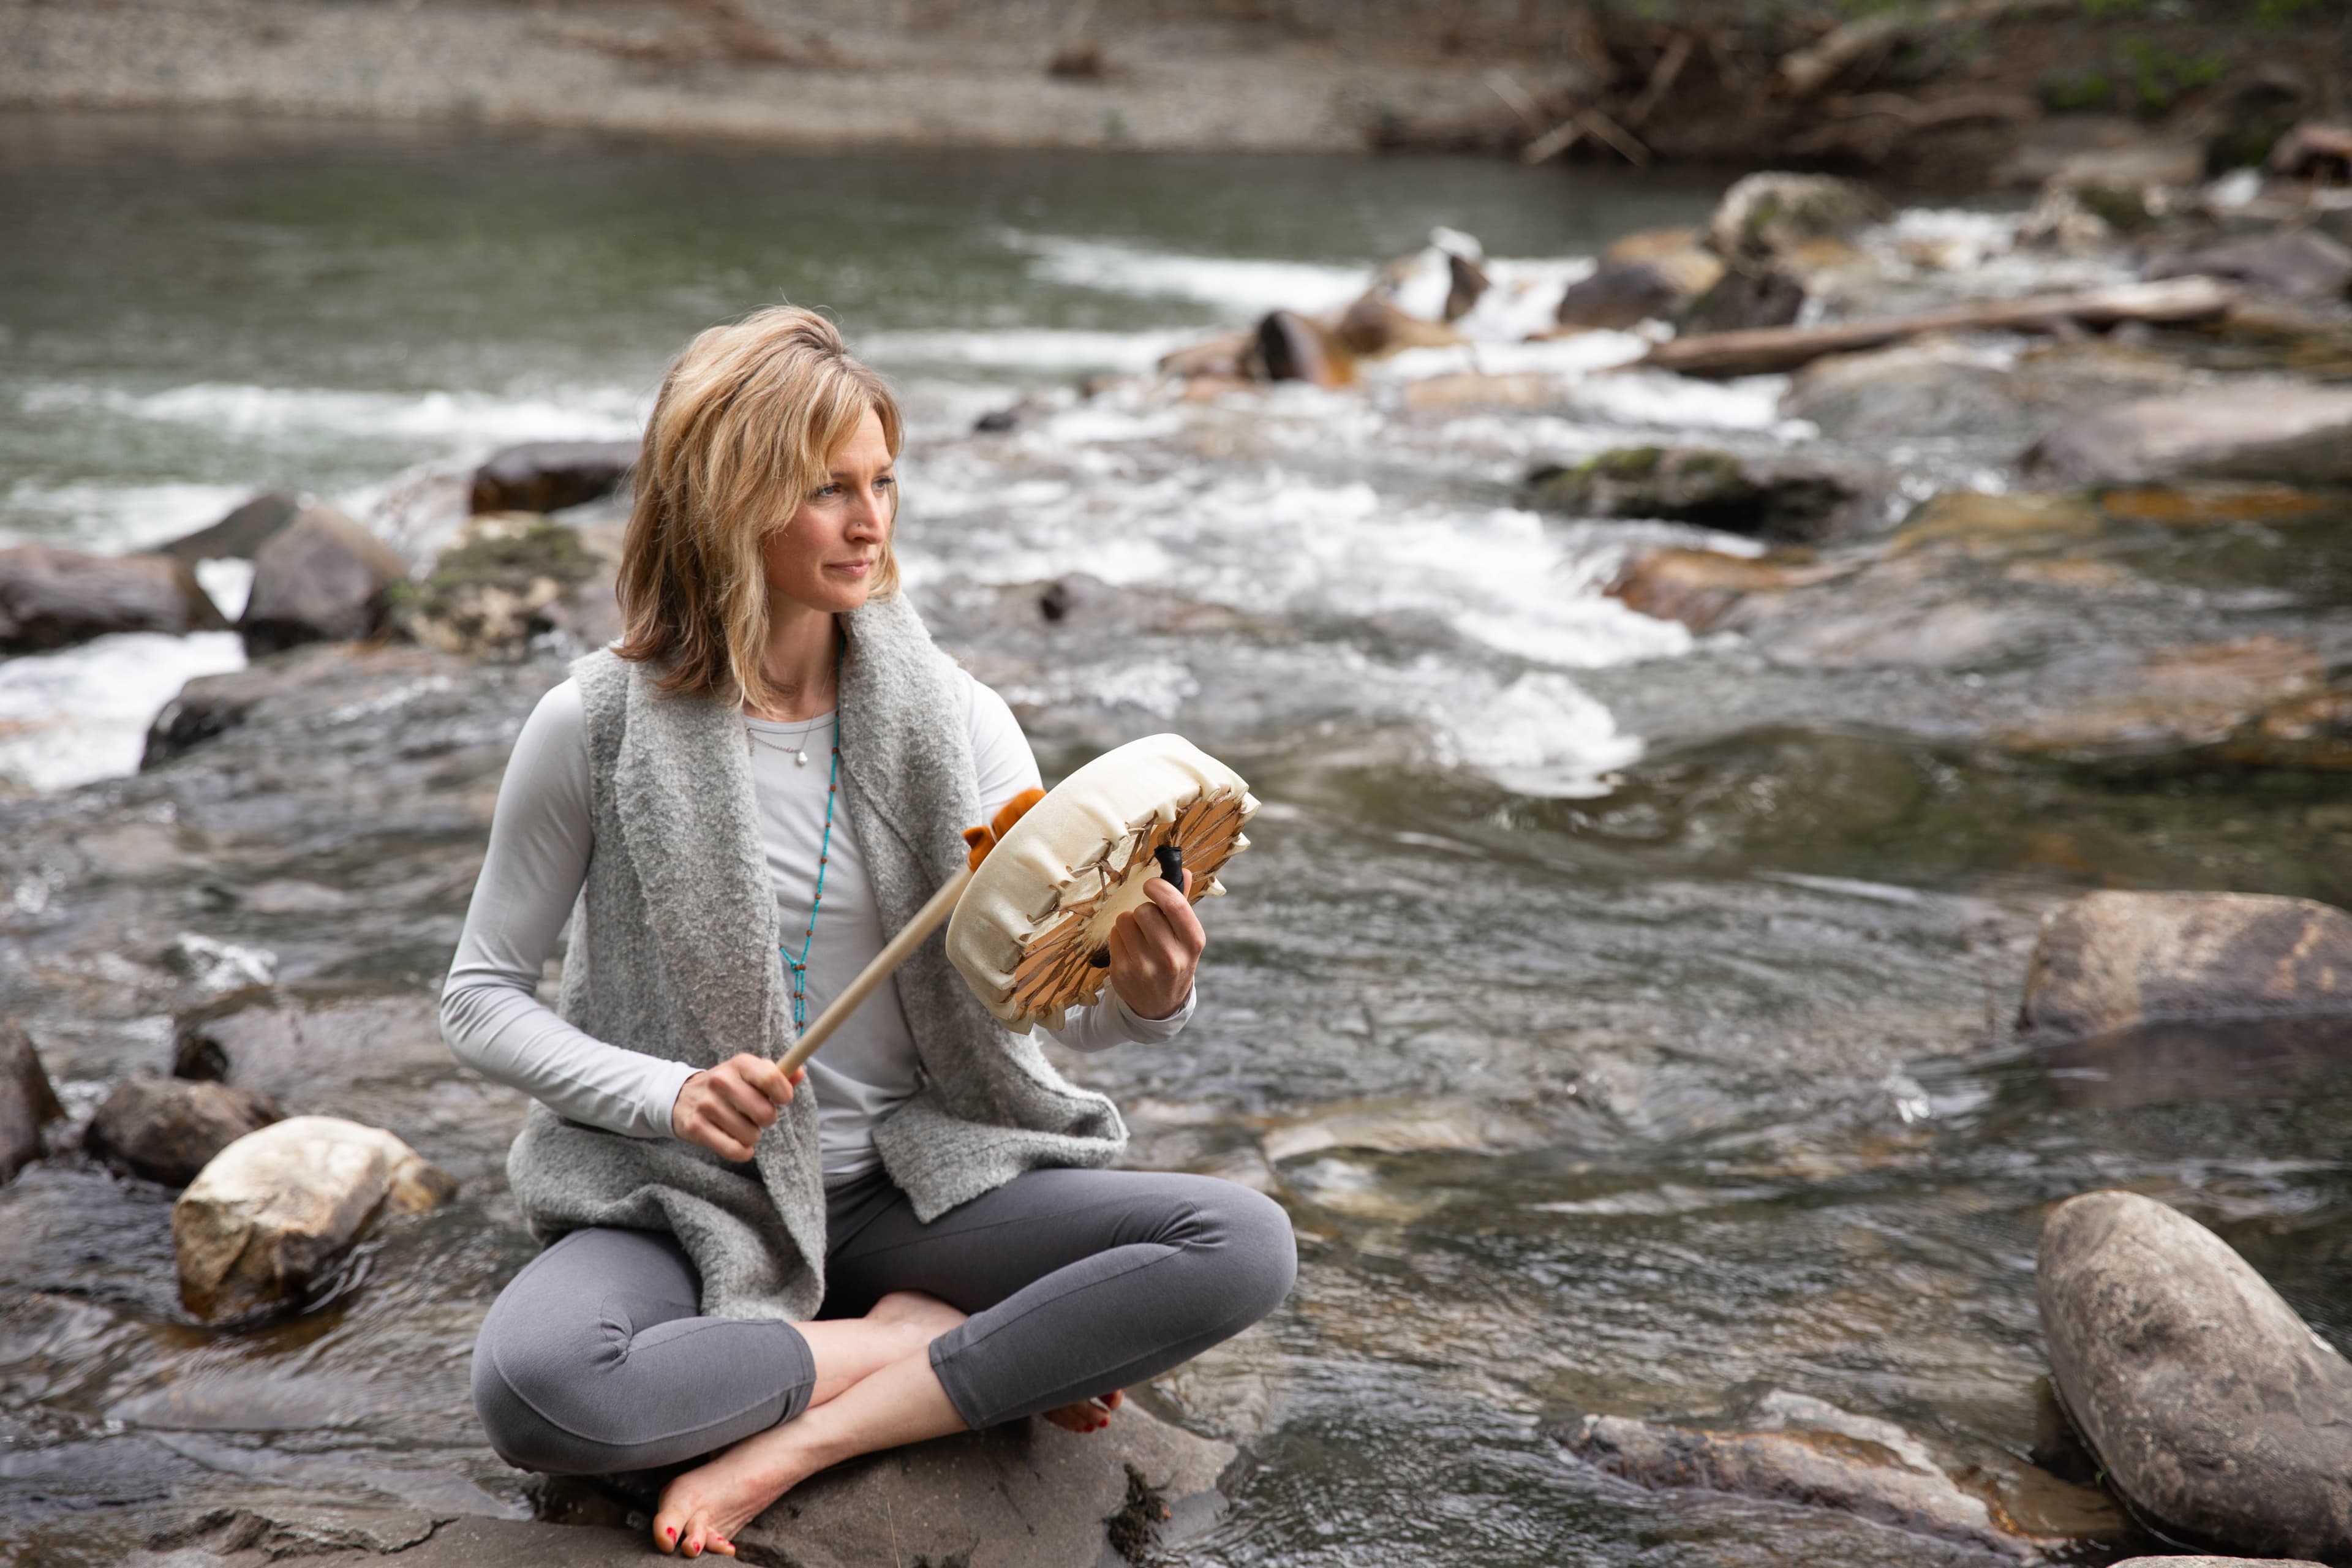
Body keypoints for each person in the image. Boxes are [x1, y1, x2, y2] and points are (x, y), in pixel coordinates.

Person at [439, 305, 1295, 1559]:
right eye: (826, 488)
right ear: (729, 500)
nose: (870, 520)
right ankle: (919, 1348)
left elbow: (1054, 997)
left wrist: (1149, 990)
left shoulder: (961, 720)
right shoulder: (594, 725)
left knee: (1243, 1243)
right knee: (538, 1388)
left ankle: (821, 1423)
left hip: (923, 1189)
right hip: (691, 1197)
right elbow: (480, 995)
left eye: (883, 481)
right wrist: (668, 1095)